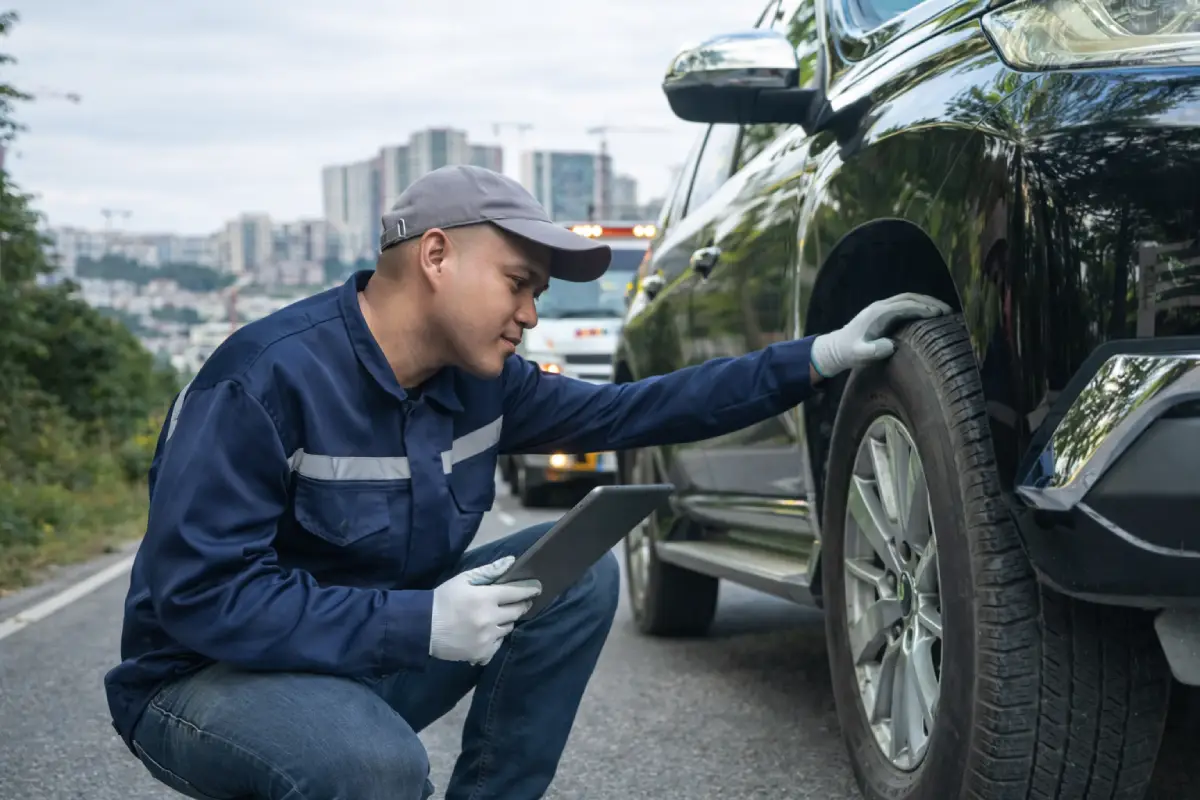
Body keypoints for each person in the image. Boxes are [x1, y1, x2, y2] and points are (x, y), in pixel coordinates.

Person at [104, 164, 950, 800]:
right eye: (519, 283)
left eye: (538, 293)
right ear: (435, 255)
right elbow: (200, 598)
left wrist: (813, 359)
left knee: (576, 575)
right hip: (204, 682)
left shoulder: (484, 385)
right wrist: (419, 620)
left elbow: (634, 412)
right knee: (372, 768)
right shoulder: (259, 381)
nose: (532, 314)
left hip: (362, 653)